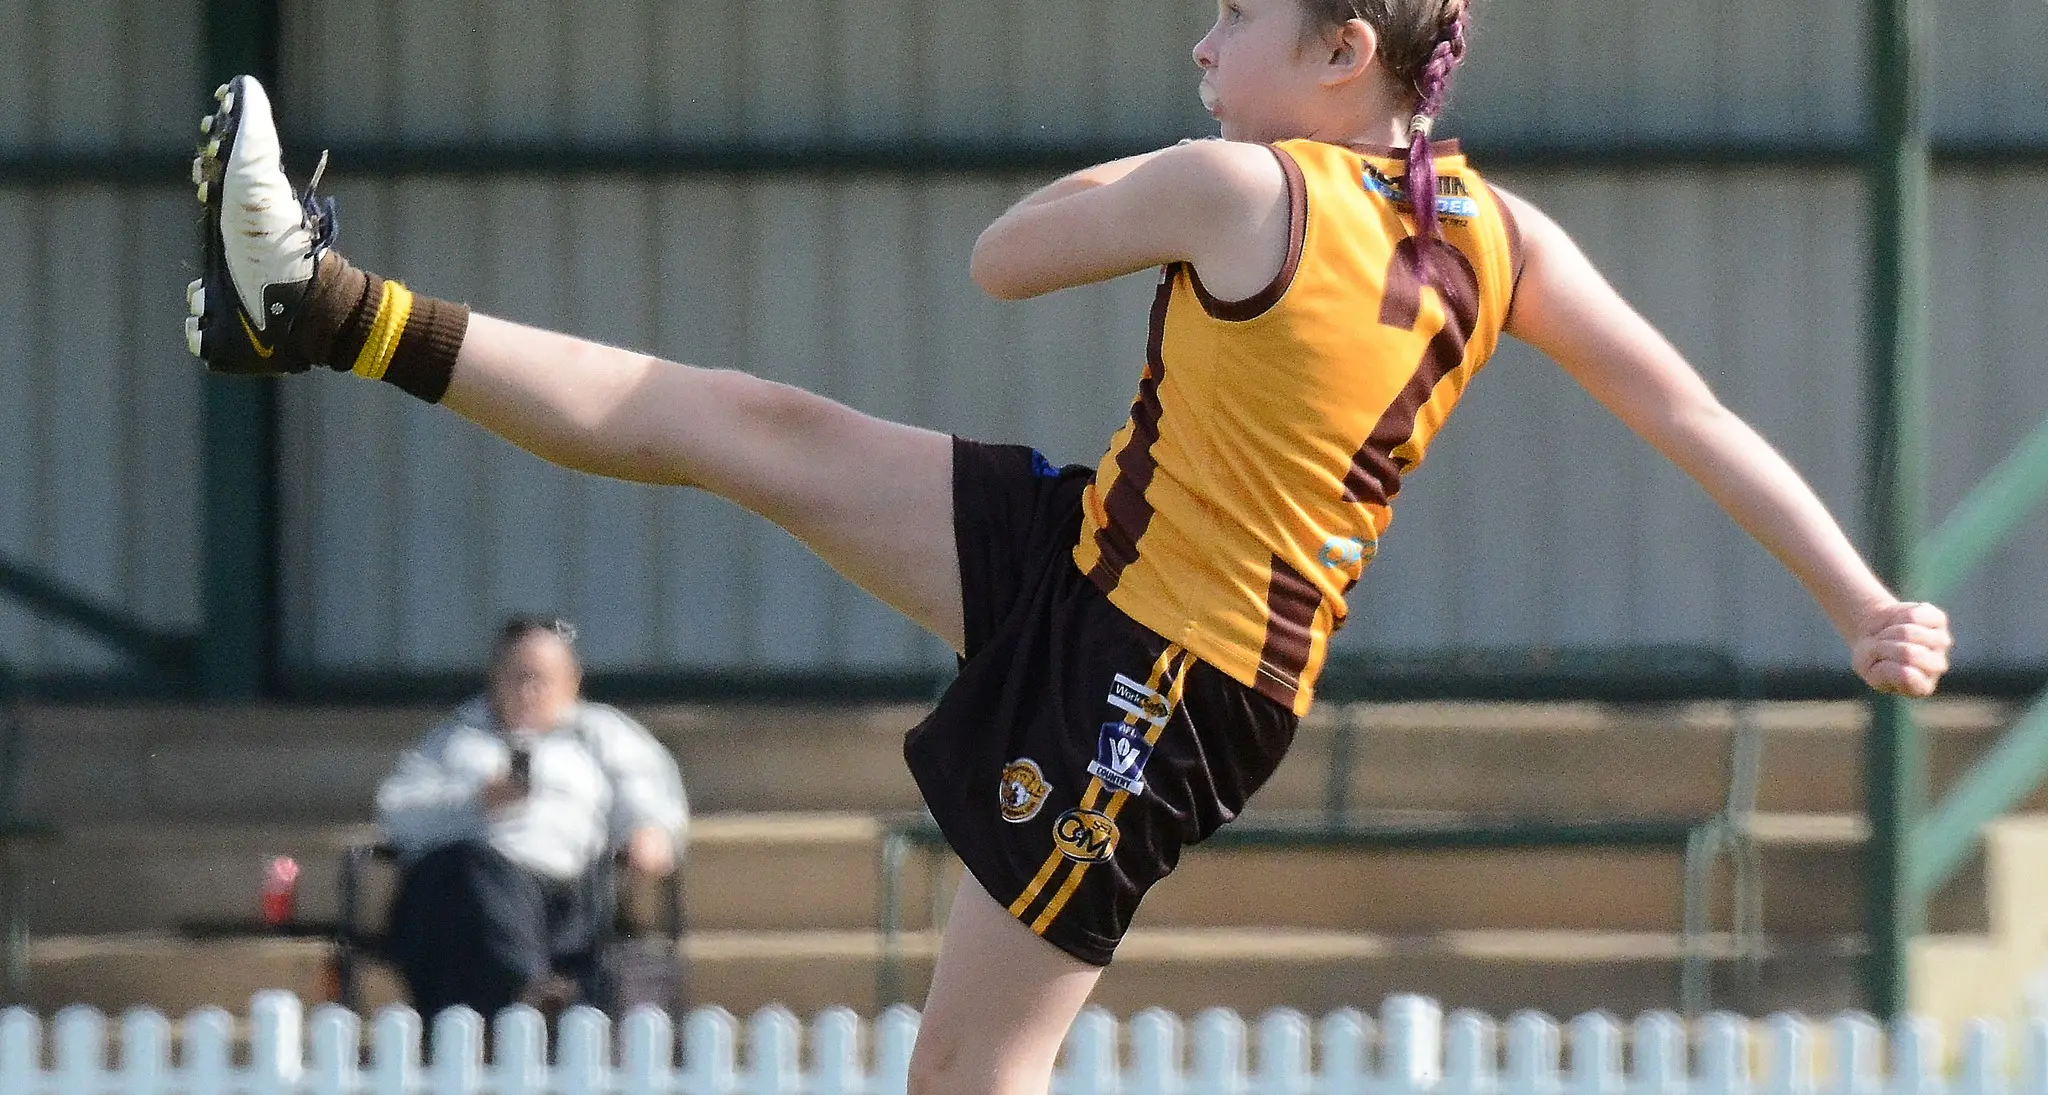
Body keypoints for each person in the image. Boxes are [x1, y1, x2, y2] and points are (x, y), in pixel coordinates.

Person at [185, 0, 1953, 1087]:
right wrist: (1862, 601)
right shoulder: (1506, 238)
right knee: (745, 426)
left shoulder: (1242, 183)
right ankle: (320, 304)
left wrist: (1177, 175)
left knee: (965, 1081)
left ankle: (317, 309)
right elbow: (1691, 415)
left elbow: (1002, 258)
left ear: (1345, 53)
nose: (1200, 45)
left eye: (1232, 16)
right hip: (1088, 552)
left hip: (1167, 683)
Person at [375, 615, 687, 1018]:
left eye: (542, 678)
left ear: (572, 682)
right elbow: (397, 813)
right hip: (453, 896)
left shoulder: (601, 734)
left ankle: (526, 991)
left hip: (563, 896)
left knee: (482, 880)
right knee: (468, 869)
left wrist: (649, 832)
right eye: (516, 677)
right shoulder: (456, 738)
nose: (528, 691)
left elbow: (649, 794)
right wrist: (476, 802)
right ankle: (533, 990)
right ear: (493, 680)